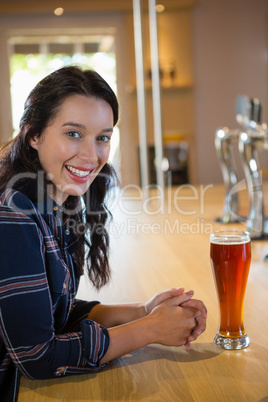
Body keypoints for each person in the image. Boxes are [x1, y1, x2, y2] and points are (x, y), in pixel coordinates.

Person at [0, 66, 207, 401]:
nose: (90, 154)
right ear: (33, 135)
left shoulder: (59, 200)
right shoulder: (13, 213)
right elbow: (38, 357)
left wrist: (144, 311)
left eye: (102, 137)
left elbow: (56, 312)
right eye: (73, 134)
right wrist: (150, 329)